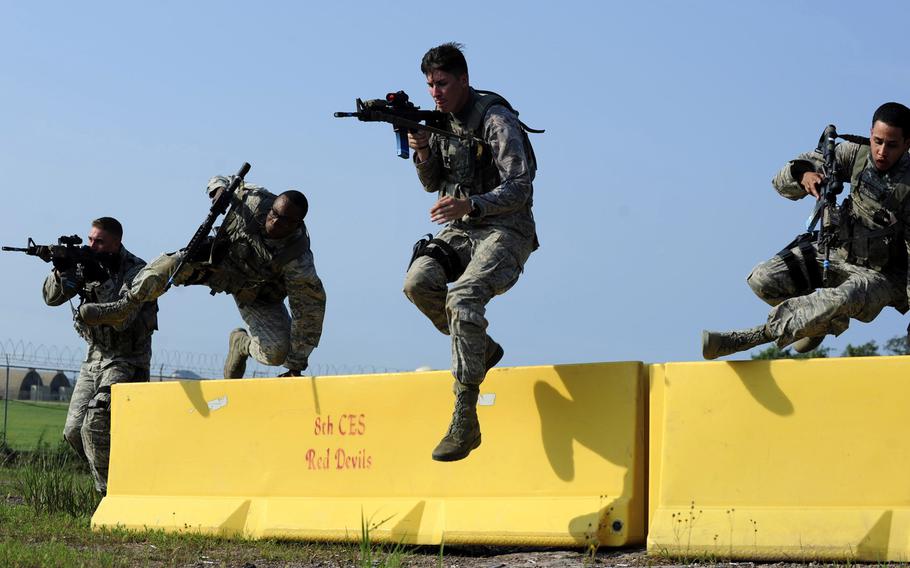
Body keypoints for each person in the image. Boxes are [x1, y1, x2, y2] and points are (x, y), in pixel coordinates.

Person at [403, 43, 539, 461]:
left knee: (462, 297)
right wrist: (423, 149)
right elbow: (432, 183)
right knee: (418, 283)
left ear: (463, 78)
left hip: (505, 230)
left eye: (442, 83)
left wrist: (472, 204)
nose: (435, 92)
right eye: (429, 85)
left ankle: (465, 415)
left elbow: (521, 185)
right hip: (461, 231)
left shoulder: (495, 119)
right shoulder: (439, 121)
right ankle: (482, 348)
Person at [703, 102, 910, 359]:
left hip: (883, 276)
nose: (881, 152)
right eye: (877, 141)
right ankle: (814, 325)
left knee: (843, 298)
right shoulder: (855, 154)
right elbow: (788, 174)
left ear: (907, 144)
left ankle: (756, 336)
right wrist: (803, 175)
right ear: (870, 133)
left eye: (891, 145)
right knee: (763, 279)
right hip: (838, 252)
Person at [79, 177, 326, 378]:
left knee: (275, 353)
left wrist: (295, 365)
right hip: (215, 263)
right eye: (274, 214)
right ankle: (125, 304)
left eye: (284, 221)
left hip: (255, 293)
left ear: (297, 224)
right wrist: (218, 190)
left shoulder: (298, 258)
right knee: (171, 263)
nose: (274, 222)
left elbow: (309, 310)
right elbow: (220, 179)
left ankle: (240, 345)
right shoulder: (254, 199)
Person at [43, 217, 157, 494]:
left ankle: (109, 494)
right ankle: (117, 477)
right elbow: (51, 298)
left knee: (94, 425)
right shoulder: (85, 263)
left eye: (100, 241)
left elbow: (122, 318)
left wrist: (101, 278)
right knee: (72, 431)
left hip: (126, 360)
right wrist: (61, 271)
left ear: (117, 242)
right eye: (90, 240)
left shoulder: (138, 271)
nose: (92, 246)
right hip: (94, 358)